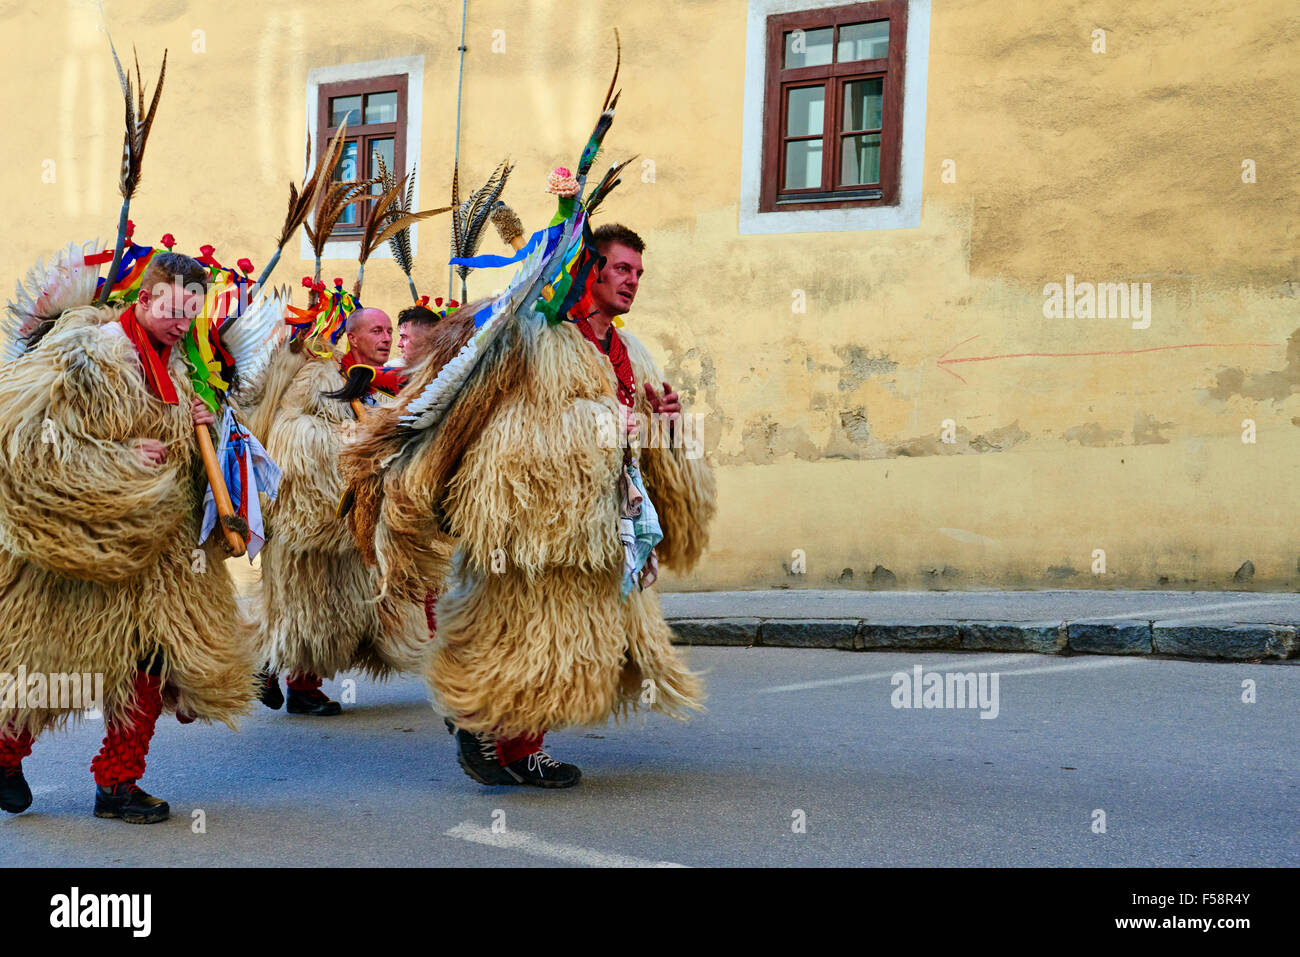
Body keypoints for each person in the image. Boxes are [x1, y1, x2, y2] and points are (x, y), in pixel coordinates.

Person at [0, 253, 258, 822]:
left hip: (161, 561)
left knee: (152, 664)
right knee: (60, 666)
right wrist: (117, 458)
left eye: (190, 314)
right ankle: (5, 754)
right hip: (89, 548)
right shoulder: (86, 354)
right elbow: (27, 439)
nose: (180, 324)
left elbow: (183, 451)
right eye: (171, 310)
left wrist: (202, 424)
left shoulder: (183, 366)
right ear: (143, 299)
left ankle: (117, 783)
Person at [252, 305, 427, 716]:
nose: (386, 338)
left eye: (389, 331)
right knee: (304, 602)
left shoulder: (386, 388)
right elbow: (287, 428)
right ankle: (285, 675)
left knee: (335, 605)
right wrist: (346, 442)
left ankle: (293, 679)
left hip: (355, 520)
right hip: (309, 517)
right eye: (376, 331)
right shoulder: (320, 376)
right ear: (353, 337)